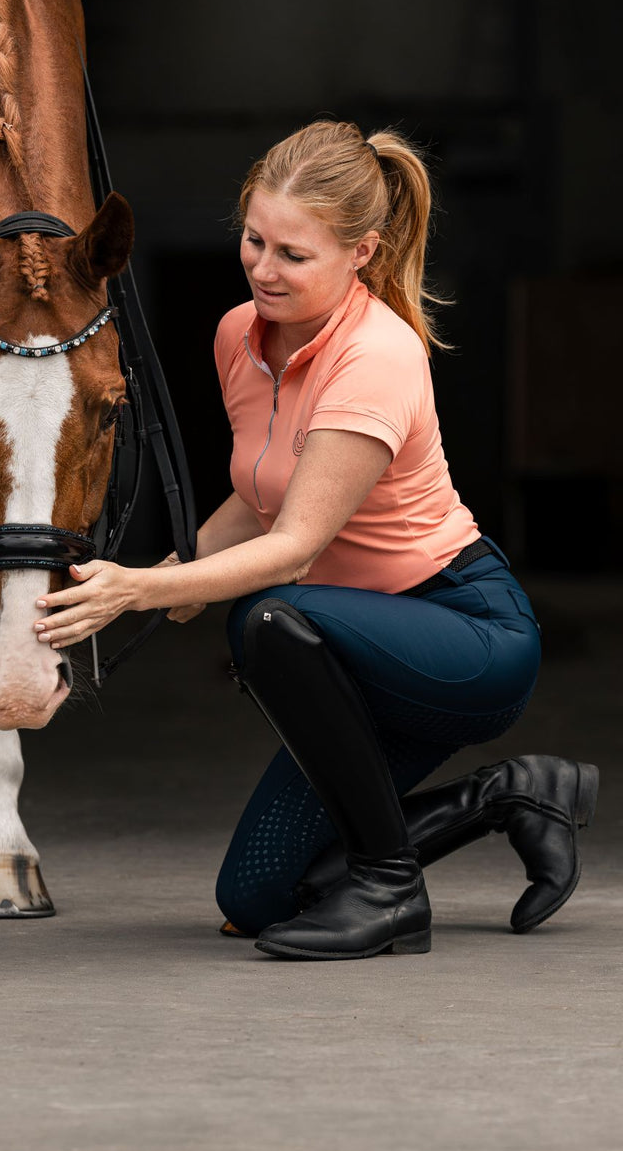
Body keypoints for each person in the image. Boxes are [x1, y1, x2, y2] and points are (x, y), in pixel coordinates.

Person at [33, 120, 598, 961]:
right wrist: (174, 572)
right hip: (354, 650)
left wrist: (143, 589)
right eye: (255, 240)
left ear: (361, 253)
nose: (263, 268)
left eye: (294, 255)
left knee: (266, 618)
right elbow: (262, 495)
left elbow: (295, 546)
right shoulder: (239, 335)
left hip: (462, 635)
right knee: (256, 898)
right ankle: (511, 795)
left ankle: (391, 891)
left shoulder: (377, 355)